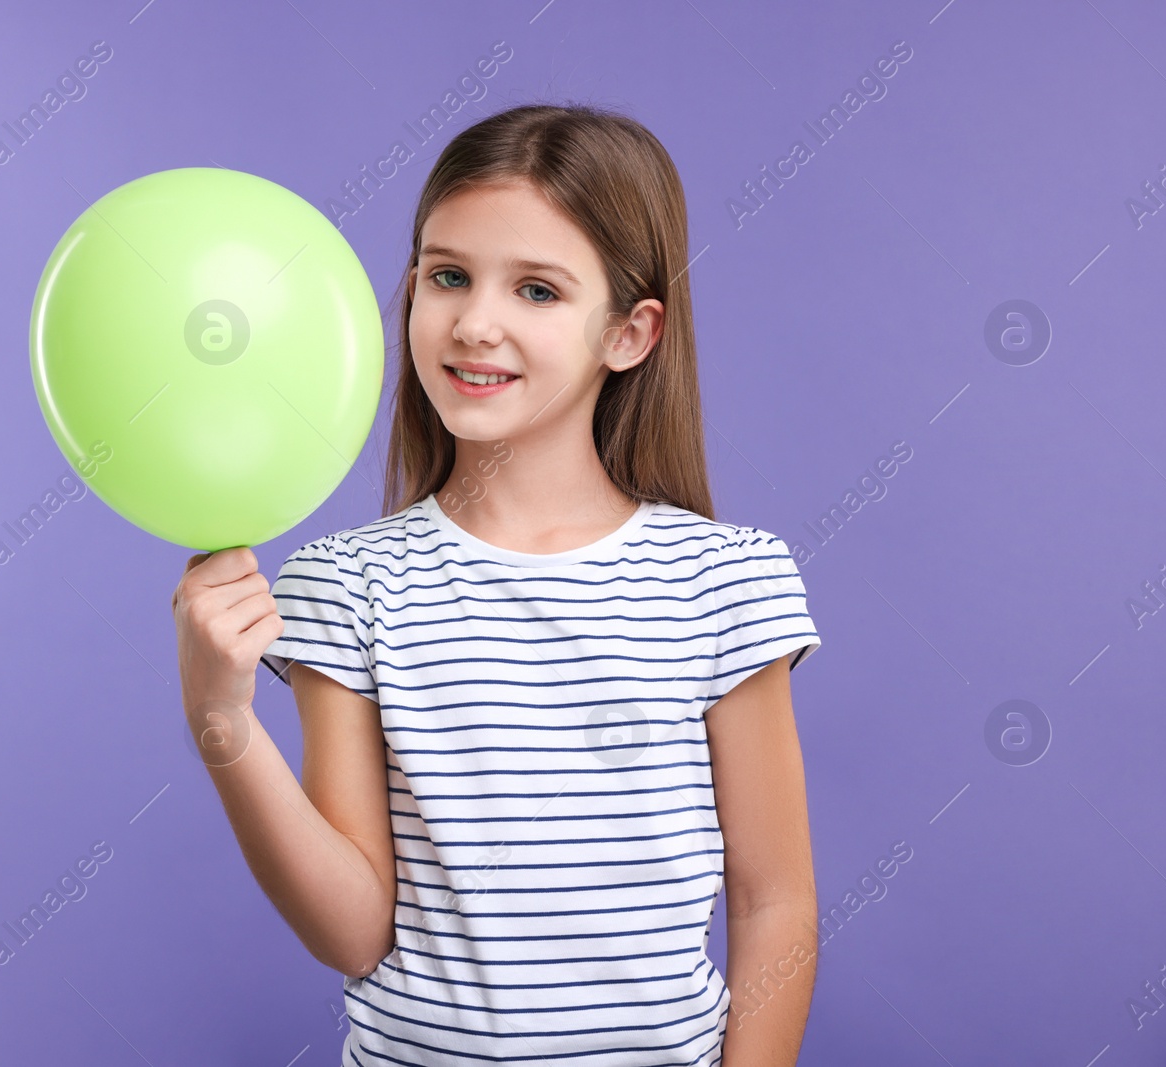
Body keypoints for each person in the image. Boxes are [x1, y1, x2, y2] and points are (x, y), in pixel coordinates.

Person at [171, 102, 822, 1067]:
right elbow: (353, 932)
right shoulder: (346, 588)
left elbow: (777, 901)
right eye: (447, 276)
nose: (475, 323)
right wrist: (219, 717)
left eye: (538, 291)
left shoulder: (723, 582)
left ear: (630, 333)